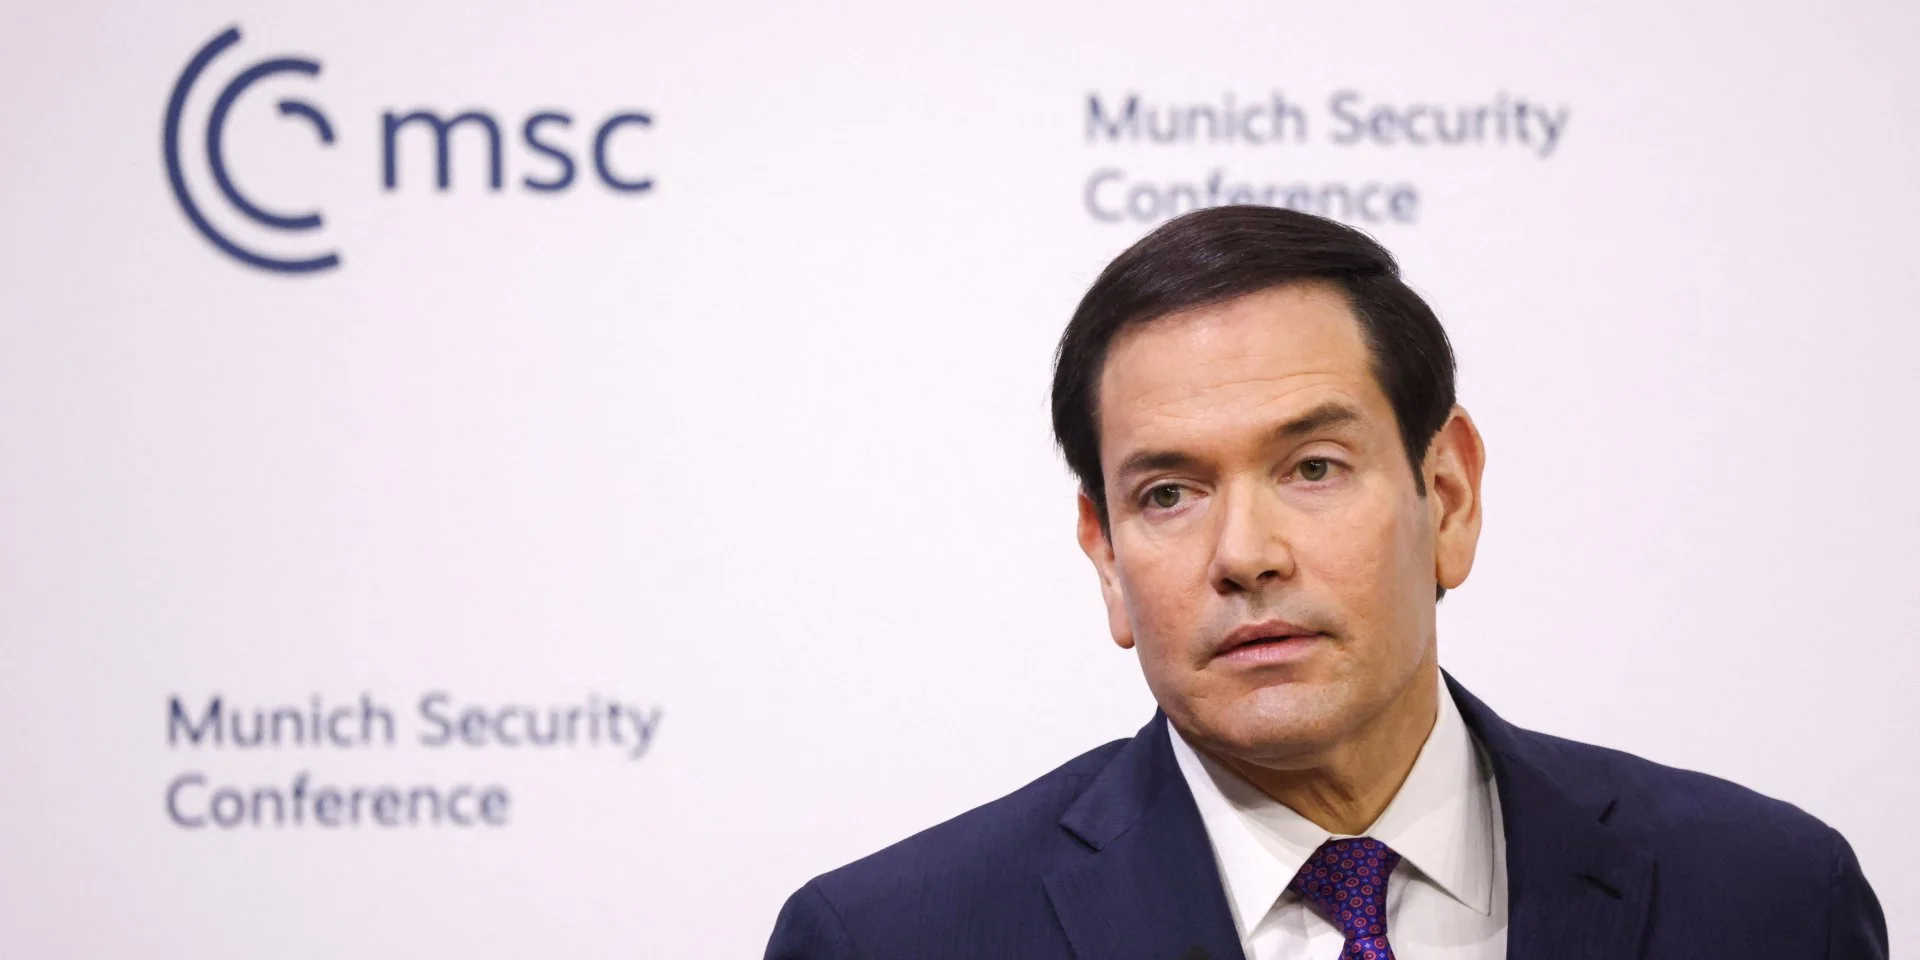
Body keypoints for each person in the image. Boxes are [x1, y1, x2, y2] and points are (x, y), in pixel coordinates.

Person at [762, 206, 1888, 959]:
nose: (1244, 554)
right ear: (1104, 556)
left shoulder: (1768, 897)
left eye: (1312, 468)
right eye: (1169, 494)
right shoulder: (890, 940)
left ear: (1447, 496)